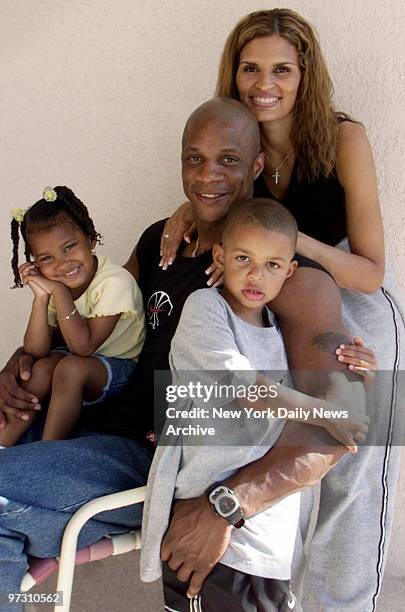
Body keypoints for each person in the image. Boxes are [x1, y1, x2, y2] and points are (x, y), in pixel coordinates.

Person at [0, 98, 372, 611]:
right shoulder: (162, 241)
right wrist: (18, 367)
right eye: (193, 158)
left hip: (151, 459)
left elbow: (346, 421)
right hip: (84, 423)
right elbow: (90, 327)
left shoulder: (288, 278)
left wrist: (227, 506)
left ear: (257, 166)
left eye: (228, 159)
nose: (207, 175)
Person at [160, 10, 405, 611]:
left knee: (356, 444)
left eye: (281, 70)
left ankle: (345, 604)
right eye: (250, 68)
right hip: (274, 291)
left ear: (305, 75)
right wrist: (188, 212)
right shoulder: (236, 137)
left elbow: (370, 269)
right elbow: (217, 194)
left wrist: (293, 240)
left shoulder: (343, 136)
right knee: (272, 434)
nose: (263, 82)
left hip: (352, 293)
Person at [142, 196, 370, 612]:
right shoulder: (205, 309)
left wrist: (359, 373)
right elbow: (240, 386)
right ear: (220, 256)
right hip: (208, 530)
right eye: (243, 257)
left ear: (290, 271)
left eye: (272, 265)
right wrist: (322, 411)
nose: (255, 274)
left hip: (266, 538)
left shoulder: (278, 330)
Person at [3, 185, 144, 444]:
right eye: (46, 258)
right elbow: (36, 351)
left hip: (121, 369)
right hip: (80, 360)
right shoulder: (57, 287)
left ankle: (48, 450)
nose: (62, 264)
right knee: (41, 368)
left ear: (90, 238)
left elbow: (83, 347)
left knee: (71, 368)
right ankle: (3, 442)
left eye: (69, 247)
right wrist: (41, 297)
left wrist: (58, 292)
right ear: (35, 261)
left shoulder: (114, 282)